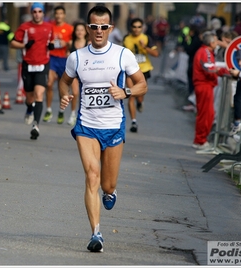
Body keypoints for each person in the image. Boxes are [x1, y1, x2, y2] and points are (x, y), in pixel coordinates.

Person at [58, 5, 147, 252]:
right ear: (88, 28)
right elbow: (64, 82)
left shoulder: (122, 55)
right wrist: (63, 97)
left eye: (103, 27)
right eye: (94, 27)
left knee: (107, 185)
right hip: (87, 125)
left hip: (114, 126)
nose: (99, 31)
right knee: (92, 176)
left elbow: (142, 85)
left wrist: (126, 91)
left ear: (110, 28)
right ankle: (96, 233)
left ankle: (110, 192)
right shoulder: (77, 57)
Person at [10, 2, 54, 140]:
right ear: (31, 13)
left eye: (39, 11)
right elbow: (12, 43)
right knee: (29, 98)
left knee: (39, 93)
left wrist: (52, 45)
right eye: (34, 11)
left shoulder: (49, 27)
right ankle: (29, 108)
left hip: (43, 64)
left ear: (43, 13)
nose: (37, 14)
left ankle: (36, 125)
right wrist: (24, 45)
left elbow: (51, 42)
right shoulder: (25, 27)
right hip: (28, 64)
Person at [191, 31, 229, 150]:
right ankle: (200, 140)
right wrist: (223, 71)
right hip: (204, 85)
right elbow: (208, 68)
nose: (217, 43)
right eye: (215, 41)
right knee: (205, 114)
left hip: (205, 85)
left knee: (208, 113)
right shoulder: (205, 52)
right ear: (211, 42)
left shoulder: (206, 52)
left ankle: (201, 139)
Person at [123, 17, 159, 133]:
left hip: (143, 69)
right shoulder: (126, 39)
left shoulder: (146, 38)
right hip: (129, 70)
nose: (136, 29)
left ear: (142, 28)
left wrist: (145, 48)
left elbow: (156, 53)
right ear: (131, 28)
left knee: (140, 93)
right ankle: (134, 121)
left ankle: (140, 102)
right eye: (134, 27)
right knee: (131, 94)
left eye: (139, 27)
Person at [43, 6, 73, 124]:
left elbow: (73, 43)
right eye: (57, 13)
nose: (59, 16)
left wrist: (67, 44)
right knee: (49, 83)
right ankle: (49, 110)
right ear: (54, 15)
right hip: (52, 58)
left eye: (61, 13)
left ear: (64, 15)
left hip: (64, 59)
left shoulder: (70, 28)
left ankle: (61, 110)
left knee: (62, 87)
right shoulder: (49, 26)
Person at [67, 22, 90, 126]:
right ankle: (72, 114)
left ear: (85, 31)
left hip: (86, 73)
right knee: (75, 93)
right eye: (77, 30)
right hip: (75, 73)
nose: (80, 32)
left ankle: (85, 115)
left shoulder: (89, 44)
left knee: (85, 95)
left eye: (82, 30)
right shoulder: (71, 43)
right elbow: (68, 58)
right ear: (74, 32)